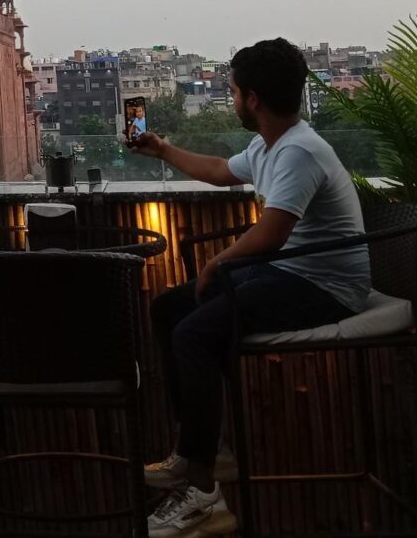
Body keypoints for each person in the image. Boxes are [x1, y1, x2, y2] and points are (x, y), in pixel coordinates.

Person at [127, 38, 370, 538]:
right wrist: (164, 149)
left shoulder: (300, 151)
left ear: (253, 98)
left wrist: (219, 261)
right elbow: (220, 172)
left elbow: (273, 232)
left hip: (323, 284)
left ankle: (202, 491)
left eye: (233, 90)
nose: (231, 98)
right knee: (170, 308)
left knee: (193, 333)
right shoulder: (272, 143)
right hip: (292, 270)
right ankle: (206, 450)